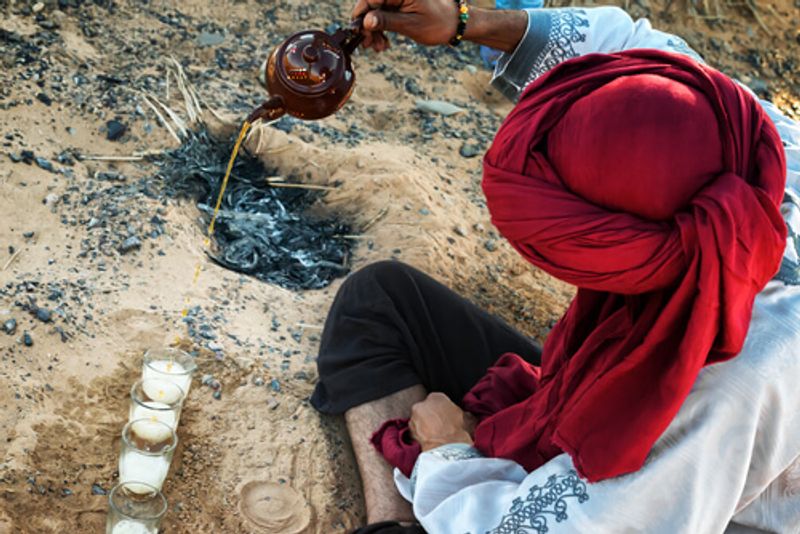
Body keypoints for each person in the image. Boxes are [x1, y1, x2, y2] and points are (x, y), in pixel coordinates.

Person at [310, 1, 800, 532]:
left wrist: (447, 454)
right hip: (636, 386)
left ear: (623, 252)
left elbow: (574, 525)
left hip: (690, 497)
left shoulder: (725, 389)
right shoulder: (750, 141)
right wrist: (461, 21)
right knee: (380, 301)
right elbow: (629, 55)